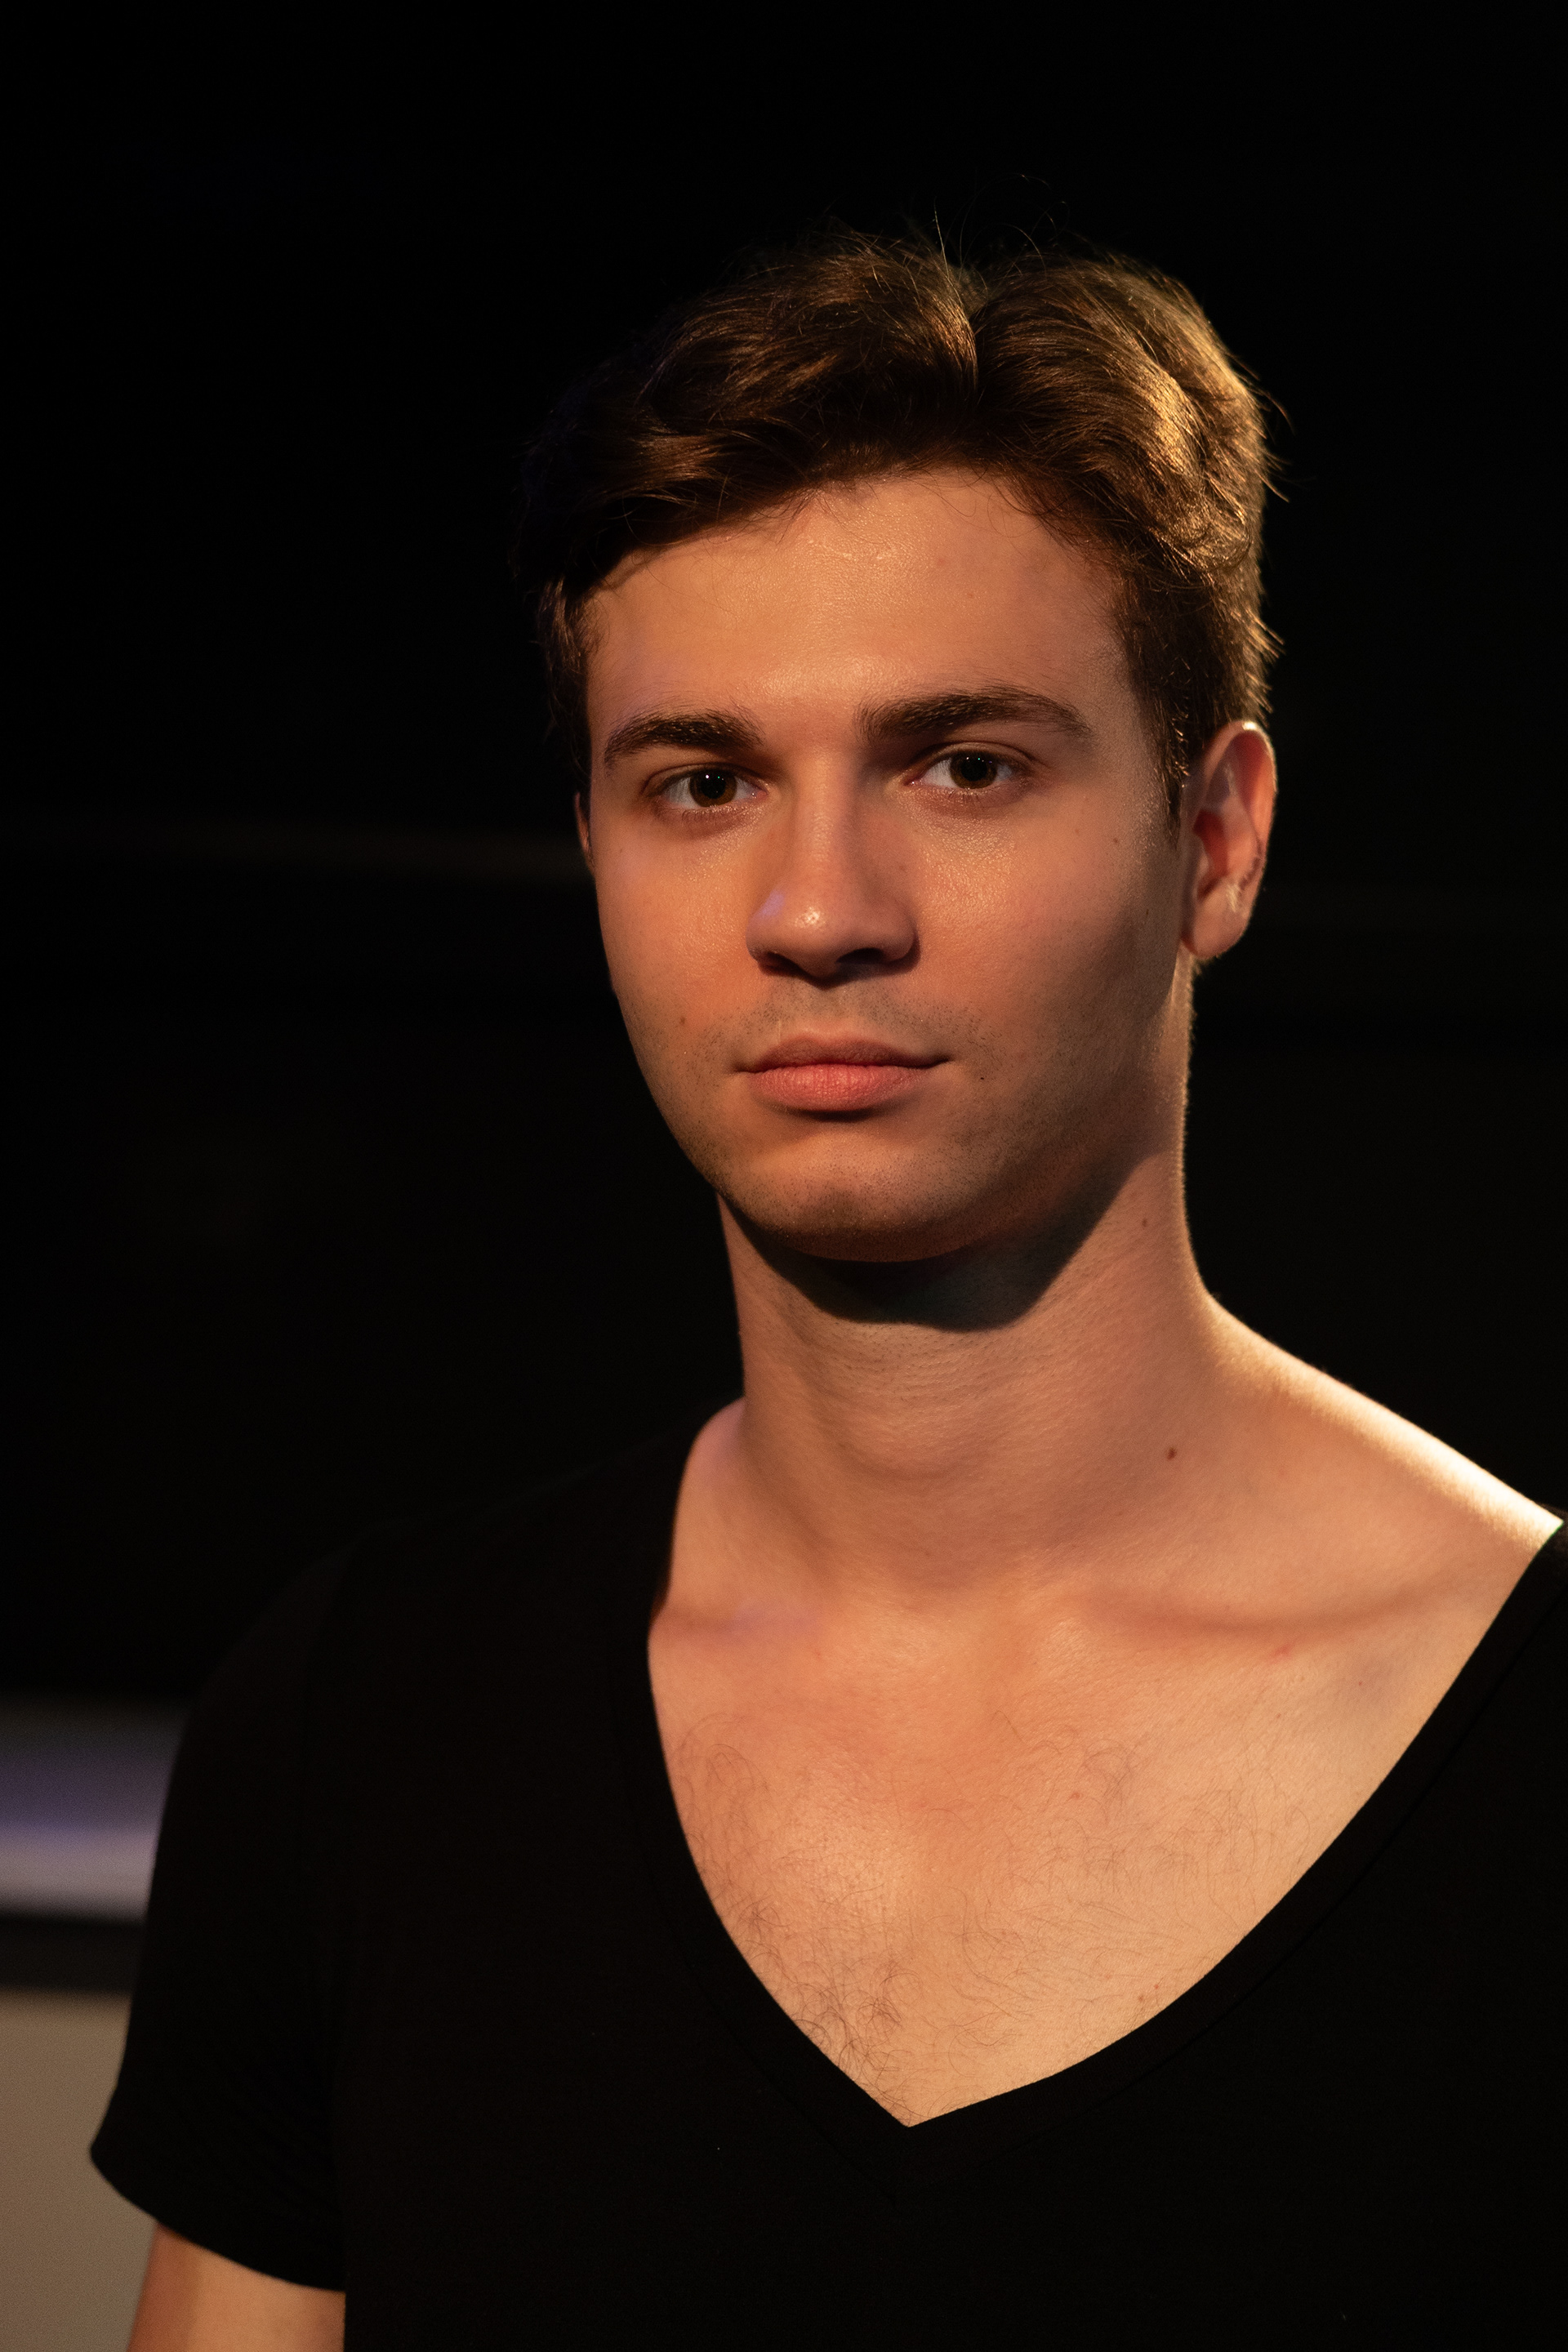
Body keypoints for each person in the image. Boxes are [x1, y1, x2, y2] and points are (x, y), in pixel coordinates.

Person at [96, 233, 1563, 2349]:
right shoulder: (363, 1725)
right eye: (703, 784)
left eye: (964, 765)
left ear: (1217, 837)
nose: (815, 911)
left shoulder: (1524, 1754)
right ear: (593, 847)